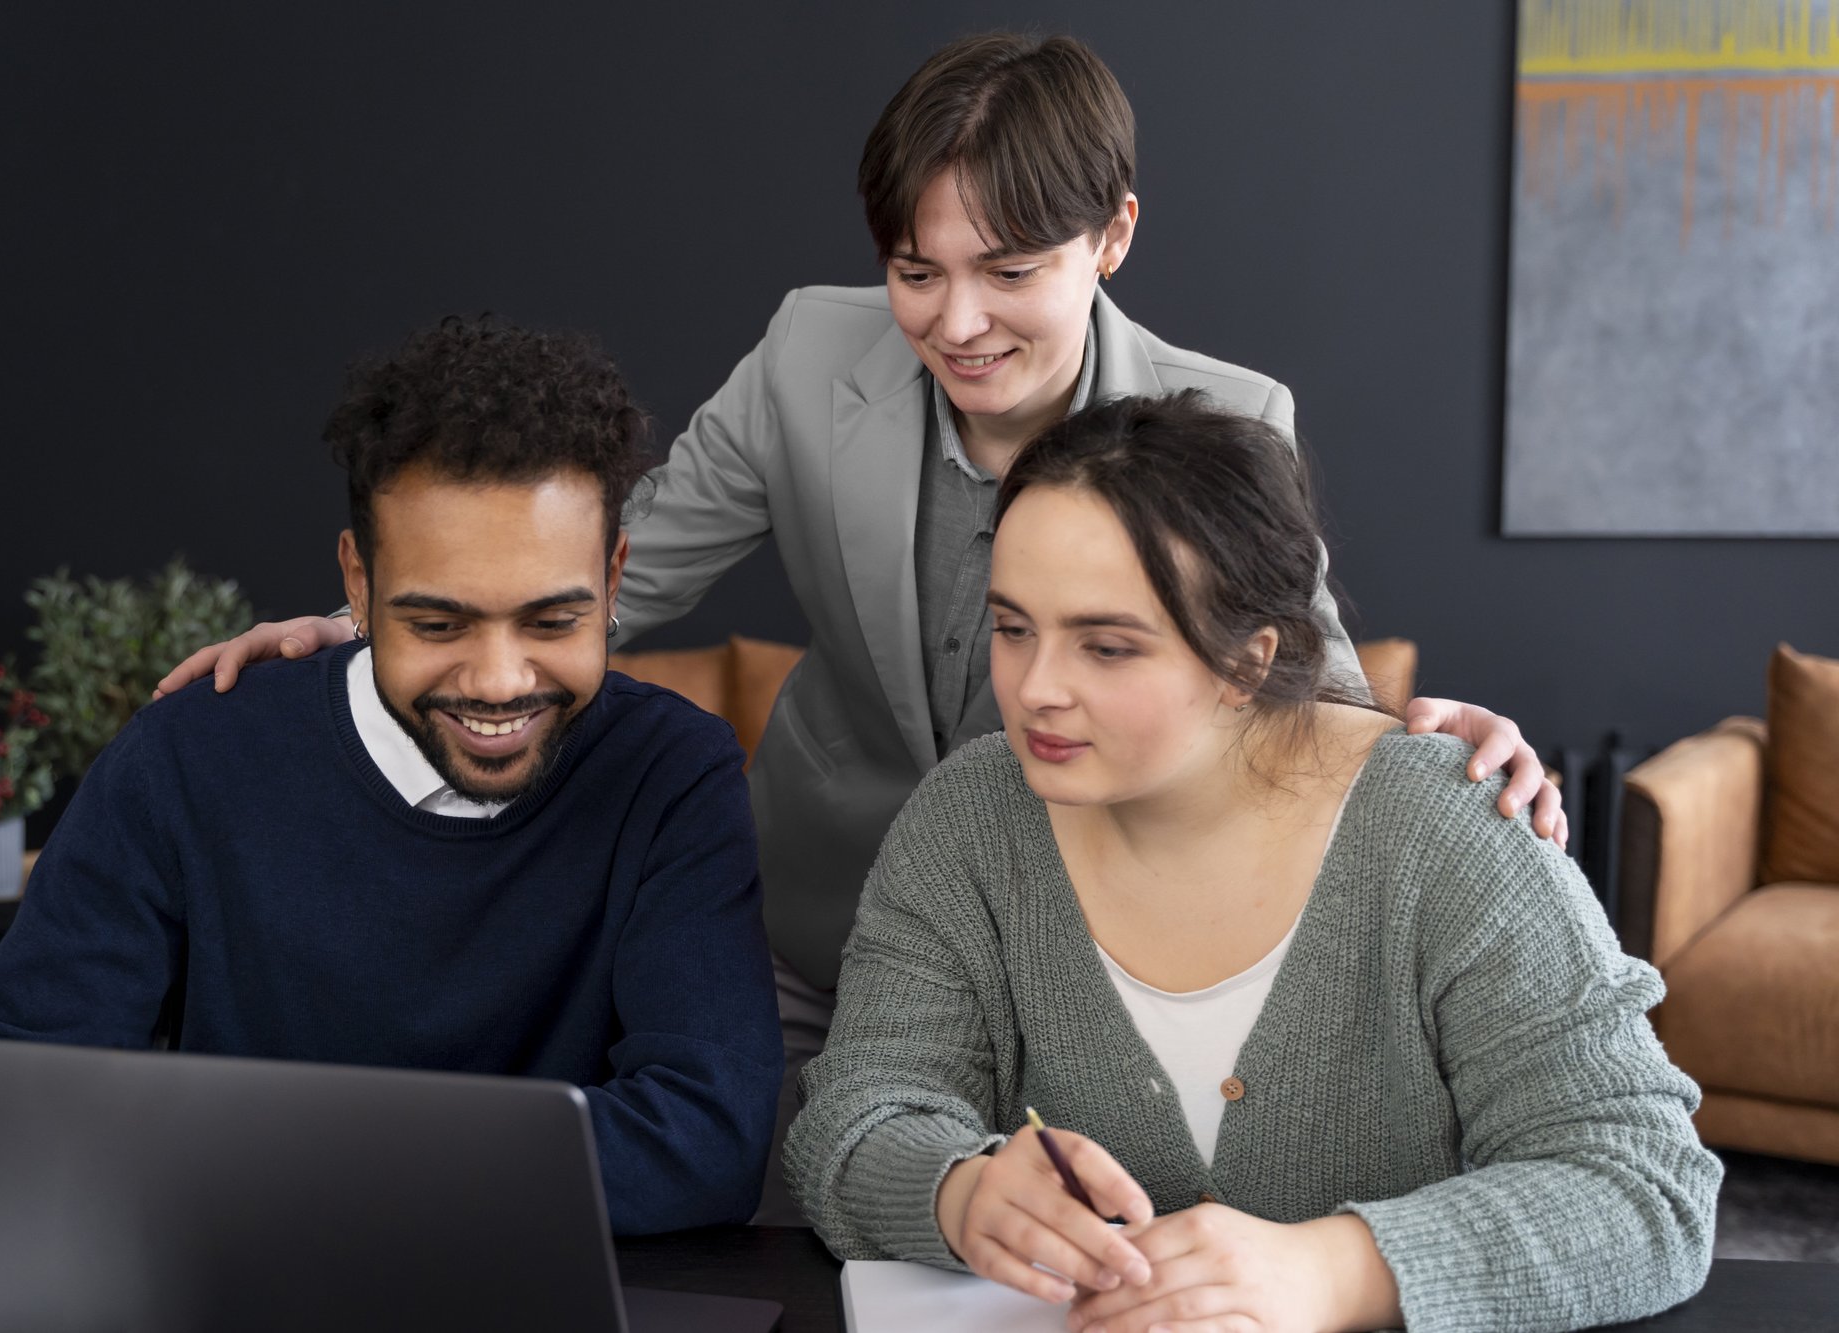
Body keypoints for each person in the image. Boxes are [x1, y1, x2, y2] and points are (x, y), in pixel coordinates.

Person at [154, 34, 1566, 1222]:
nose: (955, 322)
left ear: (1114, 235)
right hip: (822, 934)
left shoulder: (1228, 420)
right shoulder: (804, 358)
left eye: (1008, 270)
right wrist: (366, 633)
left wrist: (1433, 743)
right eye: (914, 270)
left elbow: (1284, 687)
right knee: (809, 1226)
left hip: (1088, 950)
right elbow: (603, 584)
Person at [784, 391, 1717, 1332]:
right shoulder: (967, 818)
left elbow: (1646, 1183)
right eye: (1014, 627)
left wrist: (1331, 1271)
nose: (1035, 688)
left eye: (1106, 646)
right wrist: (960, 1191)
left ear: (1247, 660)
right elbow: (857, 1113)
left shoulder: (1449, 828)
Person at [0, 319, 783, 1236]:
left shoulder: (674, 776)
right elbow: (15, 1085)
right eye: (437, 624)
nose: (500, 682)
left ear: (614, 576)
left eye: (551, 622)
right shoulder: (187, 760)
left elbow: (709, 1137)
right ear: (357, 581)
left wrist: (309, 1168)